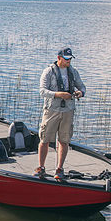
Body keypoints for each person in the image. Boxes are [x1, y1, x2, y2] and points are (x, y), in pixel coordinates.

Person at [34, 47, 86, 180]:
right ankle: (41, 167)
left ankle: (59, 169)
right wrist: (58, 94)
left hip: (68, 111)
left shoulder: (73, 72)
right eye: (66, 58)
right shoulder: (48, 71)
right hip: (51, 110)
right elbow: (42, 91)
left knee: (64, 140)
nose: (68, 61)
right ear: (59, 58)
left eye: (70, 59)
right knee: (44, 139)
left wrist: (80, 93)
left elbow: (82, 87)